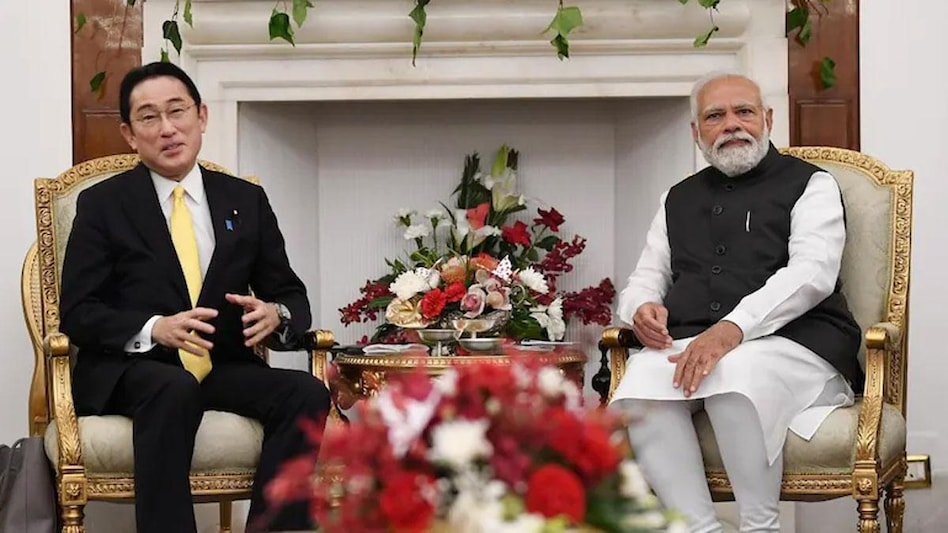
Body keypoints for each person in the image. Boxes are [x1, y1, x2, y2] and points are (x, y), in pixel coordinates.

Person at [59, 61, 329, 533]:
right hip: (133, 369)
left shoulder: (245, 200)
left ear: (201, 116)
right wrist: (154, 329)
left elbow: (289, 293)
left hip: (218, 365)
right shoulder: (103, 204)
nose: (167, 128)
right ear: (129, 134)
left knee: (306, 392)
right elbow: (79, 312)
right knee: (172, 387)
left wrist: (276, 313)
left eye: (177, 111)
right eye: (149, 117)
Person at [610, 71, 862, 533]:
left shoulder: (811, 184)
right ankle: (696, 528)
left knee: (734, 371)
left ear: (767, 119)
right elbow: (646, 277)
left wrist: (733, 328)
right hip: (694, 342)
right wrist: (641, 308)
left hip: (799, 342)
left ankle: (760, 526)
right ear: (696, 131)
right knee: (641, 382)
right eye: (715, 116)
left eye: (744, 111)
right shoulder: (677, 198)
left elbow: (813, 273)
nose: (731, 124)